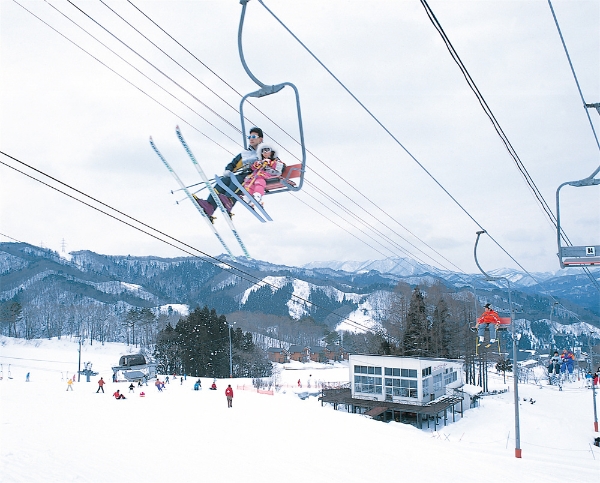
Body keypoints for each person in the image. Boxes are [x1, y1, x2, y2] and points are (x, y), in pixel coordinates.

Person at [194, 127, 264, 220]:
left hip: (254, 178)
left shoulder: (266, 151)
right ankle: (210, 206)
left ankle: (229, 200)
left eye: (254, 136)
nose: (251, 139)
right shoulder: (245, 153)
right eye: (249, 137)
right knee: (224, 180)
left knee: (238, 180)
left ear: (260, 139)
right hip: (243, 175)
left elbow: (274, 162)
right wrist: (228, 170)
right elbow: (233, 163)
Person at [242, 142, 284, 207]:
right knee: (248, 180)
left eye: (267, 150)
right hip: (257, 175)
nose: (265, 152)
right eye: (263, 151)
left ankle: (258, 194)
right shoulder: (261, 161)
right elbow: (253, 167)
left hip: (268, 175)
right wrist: (256, 164)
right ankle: (248, 195)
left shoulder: (275, 161)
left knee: (259, 180)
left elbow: (279, 169)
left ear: (272, 152)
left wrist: (270, 164)